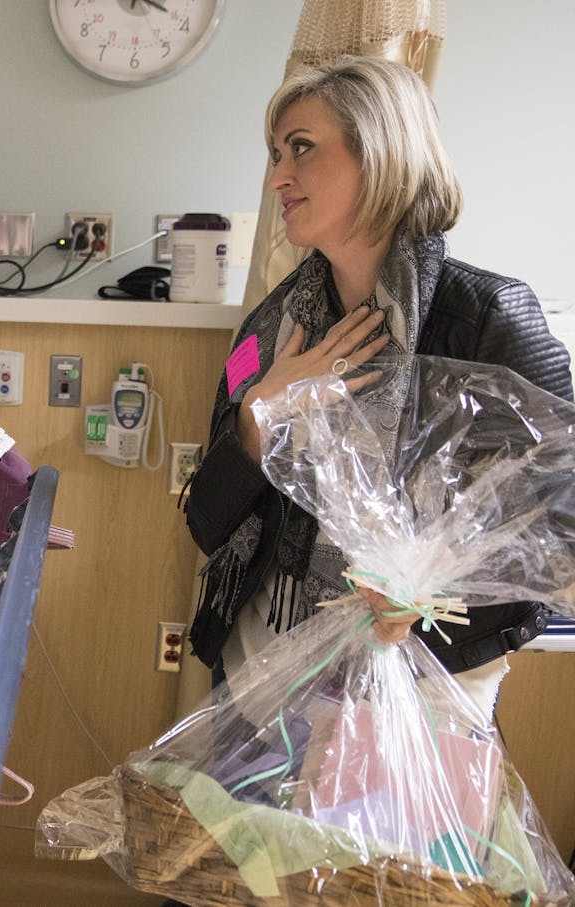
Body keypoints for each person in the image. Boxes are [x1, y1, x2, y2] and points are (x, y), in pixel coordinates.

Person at [184, 57, 572, 717]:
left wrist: (423, 593)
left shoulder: (486, 319)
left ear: (381, 155)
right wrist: (257, 417)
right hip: (261, 670)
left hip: (420, 685)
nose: (277, 176)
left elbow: (558, 531)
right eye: (276, 153)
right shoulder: (270, 329)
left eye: (300, 149)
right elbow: (206, 522)